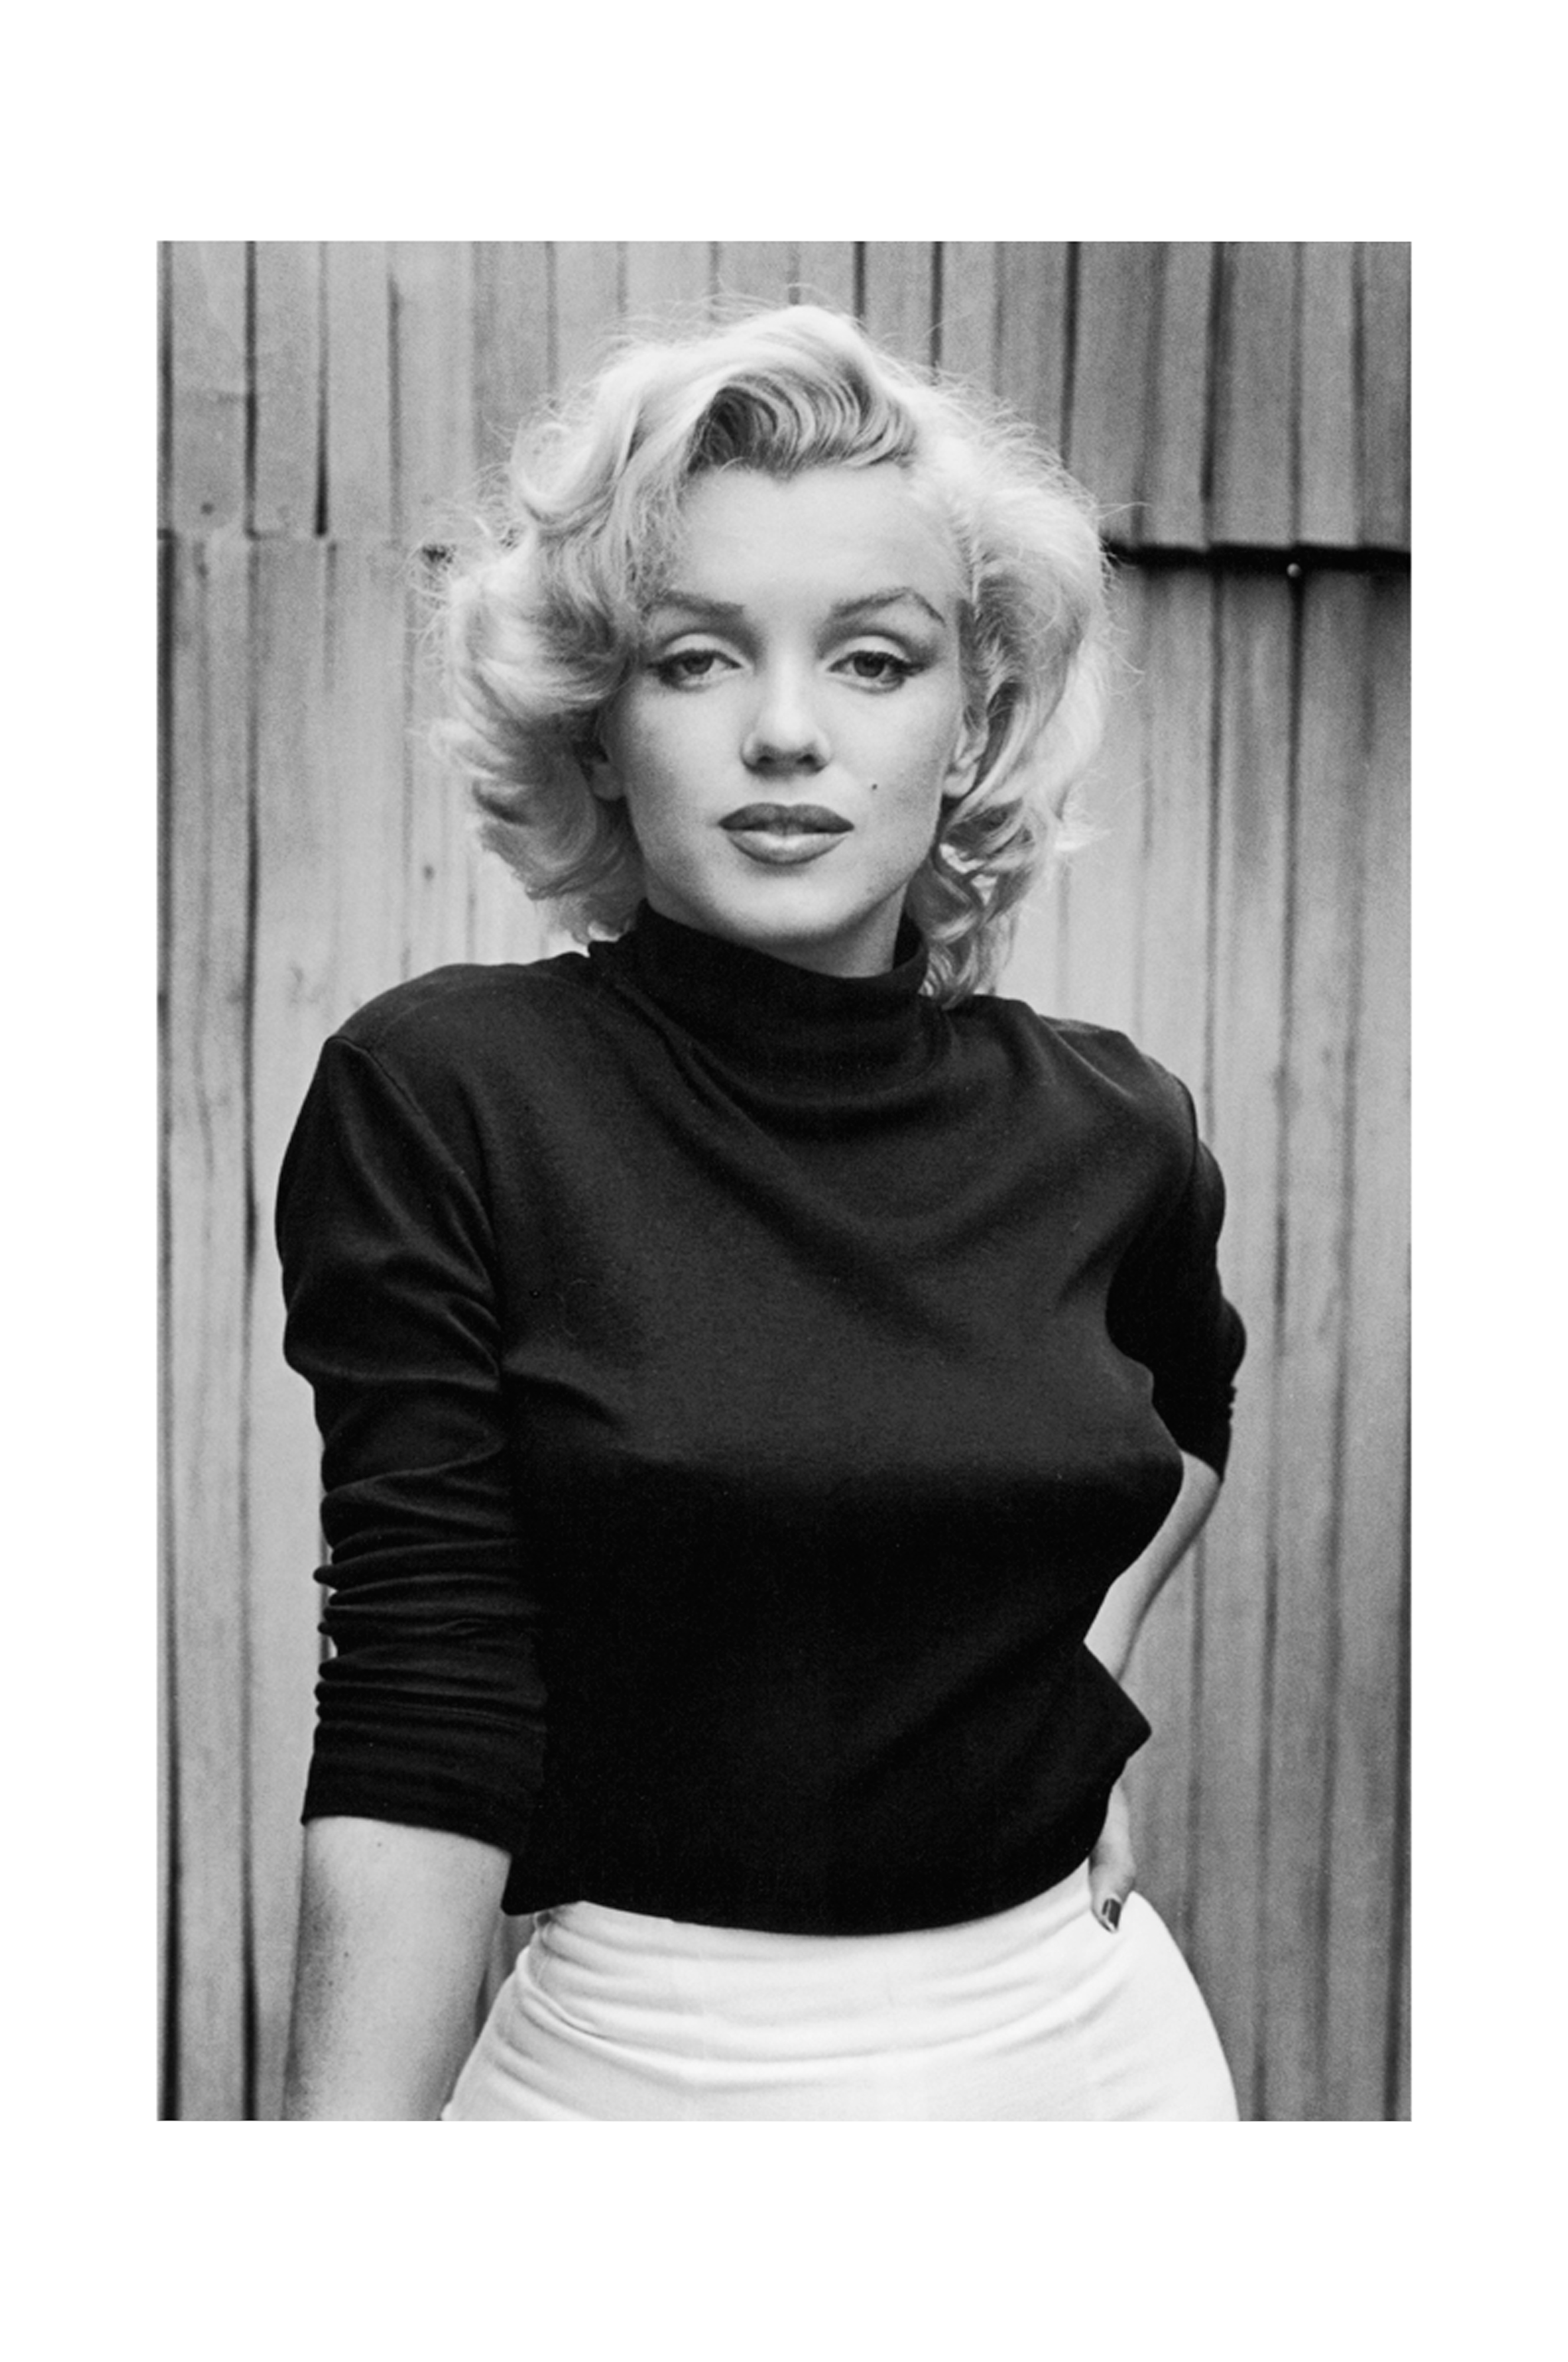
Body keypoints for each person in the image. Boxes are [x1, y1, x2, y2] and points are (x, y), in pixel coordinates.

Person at [276, 303, 1246, 2121]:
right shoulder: (453, 1094)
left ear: (973, 723)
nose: (786, 733)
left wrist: (1079, 1675)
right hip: (646, 2063)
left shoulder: (1116, 1123)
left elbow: (1189, 1417)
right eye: (699, 658)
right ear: (598, 724)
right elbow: (424, 1709)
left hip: (1099, 2054)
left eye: (874, 661)